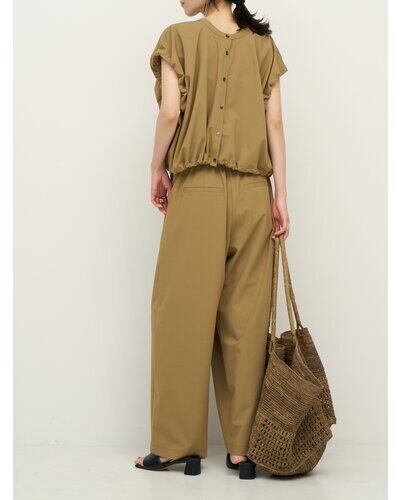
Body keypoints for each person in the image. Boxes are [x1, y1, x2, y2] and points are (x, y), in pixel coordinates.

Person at [135, 0, 289, 479]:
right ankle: (243, 451)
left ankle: (178, 445)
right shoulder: (263, 45)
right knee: (245, 322)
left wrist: (157, 167)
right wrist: (281, 196)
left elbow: (170, 113)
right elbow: (275, 123)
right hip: (255, 194)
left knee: (181, 313)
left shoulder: (177, 39)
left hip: (198, 190)